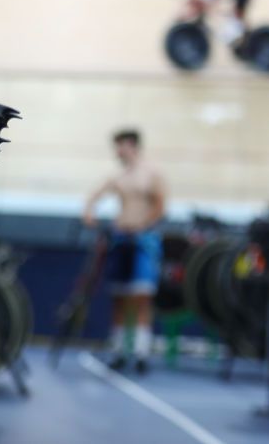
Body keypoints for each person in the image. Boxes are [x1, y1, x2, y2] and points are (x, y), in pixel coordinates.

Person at [82, 128, 166, 374]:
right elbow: (94, 196)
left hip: (143, 242)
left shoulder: (151, 174)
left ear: (131, 145)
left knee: (141, 299)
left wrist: (141, 225)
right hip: (120, 241)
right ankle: (119, 351)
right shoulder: (120, 176)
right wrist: (89, 212)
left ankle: (140, 353)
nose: (117, 151)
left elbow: (160, 205)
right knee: (119, 299)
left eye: (120, 146)